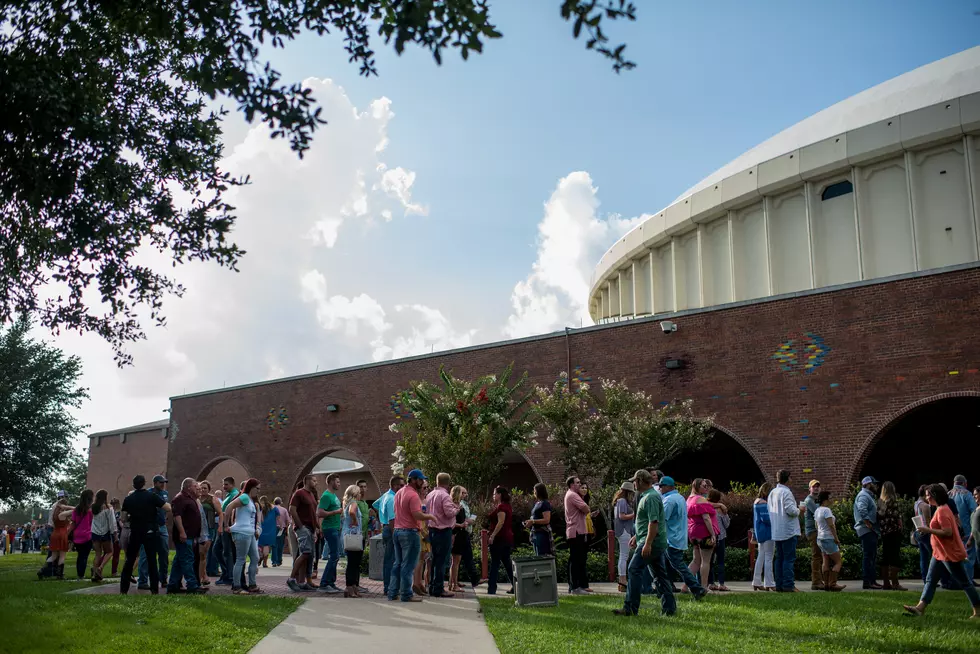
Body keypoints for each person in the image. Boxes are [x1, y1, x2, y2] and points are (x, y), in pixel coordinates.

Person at [904, 484, 980, 618]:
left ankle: (978, 610)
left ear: (935, 495)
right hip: (939, 553)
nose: (926, 497)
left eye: (928, 495)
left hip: (948, 554)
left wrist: (928, 530)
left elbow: (948, 532)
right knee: (930, 580)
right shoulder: (940, 508)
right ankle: (920, 608)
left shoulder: (943, 510)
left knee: (965, 583)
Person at [613, 469, 675, 617]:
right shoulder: (647, 496)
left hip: (652, 543)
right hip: (651, 540)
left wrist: (647, 543)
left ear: (640, 481)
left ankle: (630, 608)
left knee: (633, 569)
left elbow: (653, 522)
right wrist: (638, 536)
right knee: (660, 575)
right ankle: (669, 609)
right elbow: (646, 521)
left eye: (635, 480)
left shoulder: (651, 498)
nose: (633, 483)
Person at [120, 475, 172, 594]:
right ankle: (154, 590)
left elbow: (123, 518)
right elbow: (167, 507)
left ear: (134, 485)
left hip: (135, 532)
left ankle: (123, 589)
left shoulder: (129, 499)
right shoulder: (152, 496)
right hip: (150, 531)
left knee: (130, 560)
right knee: (152, 560)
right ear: (144, 483)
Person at [388, 469, 434, 602]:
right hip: (410, 532)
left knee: (398, 564)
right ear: (413, 480)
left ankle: (392, 593)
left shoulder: (399, 493)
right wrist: (430, 516)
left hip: (397, 531)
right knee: (408, 565)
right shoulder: (413, 495)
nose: (422, 482)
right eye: (420, 480)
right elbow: (417, 515)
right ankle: (406, 594)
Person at [659, 476, 707, 599]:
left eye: (662, 486)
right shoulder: (680, 498)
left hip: (671, 538)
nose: (660, 488)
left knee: (678, 565)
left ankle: (697, 588)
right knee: (667, 565)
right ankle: (663, 588)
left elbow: (661, 520)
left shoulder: (669, 501)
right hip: (679, 536)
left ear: (669, 487)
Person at [167, 477, 207, 594]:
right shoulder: (180, 498)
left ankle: (173, 586)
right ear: (188, 487)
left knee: (179, 561)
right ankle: (192, 585)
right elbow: (177, 516)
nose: (198, 488)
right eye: (195, 486)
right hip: (184, 536)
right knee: (188, 560)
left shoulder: (190, 498)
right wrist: (182, 532)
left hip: (191, 535)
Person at [225, 477, 262, 595]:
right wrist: (226, 525)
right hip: (242, 532)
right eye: (257, 488)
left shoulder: (250, 500)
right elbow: (229, 507)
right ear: (251, 487)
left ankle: (252, 585)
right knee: (240, 559)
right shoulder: (244, 497)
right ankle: (236, 587)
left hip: (249, 533)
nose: (258, 491)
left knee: (255, 558)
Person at [425, 472, 458, 598]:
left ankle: (432, 587)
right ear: (448, 483)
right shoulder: (445, 496)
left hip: (432, 530)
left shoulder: (430, 495)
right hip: (443, 531)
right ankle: (439, 588)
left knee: (434, 560)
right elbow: (449, 513)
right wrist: (456, 509)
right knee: (442, 561)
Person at [768, 469, 801, 593]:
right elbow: (791, 510)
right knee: (789, 559)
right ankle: (788, 585)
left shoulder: (772, 492)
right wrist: (799, 510)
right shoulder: (786, 492)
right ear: (787, 479)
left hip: (776, 530)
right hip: (788, 530)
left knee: (779, 559)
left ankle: (779, 585)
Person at [137, 475, 170, 590]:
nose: (163, 484)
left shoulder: (165, 494)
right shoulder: (147, 493)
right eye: (161, 482)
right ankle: (142, 581)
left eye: (164, 482)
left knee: (164, 553)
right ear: (155, 483)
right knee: (145, 554)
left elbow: (166, 508)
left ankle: (163, 579)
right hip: (149, 526)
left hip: (162, 527)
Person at [373, 475, 404, 596]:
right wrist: (395, 534)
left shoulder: (385, 496)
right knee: (392, 560)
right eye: (401, 485)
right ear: (395, 486)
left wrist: (381, 515)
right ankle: (390, 587)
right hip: (391, 529)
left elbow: (375, 504)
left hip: (385, 527)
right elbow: (393, 520)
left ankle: (388, 586)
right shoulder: (392, 498)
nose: (403, 487)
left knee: (389, 560)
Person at [287, 474, 318, 592]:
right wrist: (300, 526)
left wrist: (316, 528)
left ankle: (301, 582)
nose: (316, 483)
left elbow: (313, 513)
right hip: (303, 528)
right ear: (307, 481)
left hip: (311, 528)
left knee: (307, 555)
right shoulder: (299, 493)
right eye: (314, 480)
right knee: (305, 552)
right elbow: (292, 509)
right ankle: (291, 579)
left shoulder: (311, 495)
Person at [686, 478, 717, 592]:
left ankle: (685, 586)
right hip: (704, 533)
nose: (706, 488)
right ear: (697, 487)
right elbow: (706, 518)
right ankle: (703, 587)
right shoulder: (701, 499)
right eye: (704, 486)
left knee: (696, 561)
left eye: (707, 486)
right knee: (705, 561)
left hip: (693, 533)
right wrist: (712, 534)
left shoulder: (689, 499)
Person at [813, 490, 846, 591]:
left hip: (820, 538)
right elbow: (831, 525)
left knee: (826, 561)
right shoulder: (826, 510)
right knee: (838, 561)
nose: (832, 499)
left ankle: (826, 584)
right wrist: (836, 539)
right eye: (830, 497)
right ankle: (833, 584)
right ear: (825, 499)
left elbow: (816, 525)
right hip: (828, 538)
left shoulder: (817, 510)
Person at [853, 475, 882, 589]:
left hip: (870, 530)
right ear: (868, 484)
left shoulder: (868, 495)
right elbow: (862, 509)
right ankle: (868, 582)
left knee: (871, 556)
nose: (876, 486)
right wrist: (868, 523)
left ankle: (872, 581)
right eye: (874, 484)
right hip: (867, 530)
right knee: (868, 556)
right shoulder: (864, 495)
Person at [316, 473, 344, 594]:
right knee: (334, 556)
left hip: (336, 528)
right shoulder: (326, 496)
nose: (339, 484)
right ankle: (324, 584)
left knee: (335, 556)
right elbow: (320, 513)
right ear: (331, 481)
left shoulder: (334, 496)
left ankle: (331, 583)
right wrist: (336, 512)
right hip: (330, 528)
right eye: (337, 482)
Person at [564, 476, 592, 594]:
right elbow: (586, 509)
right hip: (576, 531)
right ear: (571, 484)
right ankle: (575, 587)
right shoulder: (573, 495)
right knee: (576, 560)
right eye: (577, 483)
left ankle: (578, 585)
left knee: (578, 559)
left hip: (577, 531)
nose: (580, 485)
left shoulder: (572, 495)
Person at [877, 481, 906, 591]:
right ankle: (895, 582)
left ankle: (886, 583)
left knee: (885, 557)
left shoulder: (880, 502)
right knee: (895, 557)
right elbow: (898, 518)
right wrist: (901, 528)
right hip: (894, 532)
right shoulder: (893, 501)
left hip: (884, 533)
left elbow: (879, 517)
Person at [450, 485, 480, 592]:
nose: (465, 495)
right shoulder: (456, 507)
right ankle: (454, 585)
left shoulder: (458, 506)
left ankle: (452, 583)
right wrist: (461, 525)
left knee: (455, 561)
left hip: (460, 534)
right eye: (462, 493)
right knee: (456, 561)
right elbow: (452, 522)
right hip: (458, 535)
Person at [487, 485, 516, 596]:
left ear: (499, 495)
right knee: (506, 562)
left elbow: (501, 522)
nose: (493, 496)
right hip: (507, 538)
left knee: (495, 563)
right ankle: (516, 584)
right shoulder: (507, 506)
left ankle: (492, 588)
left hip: (500, 538)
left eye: (494, 493)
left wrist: (492, 535)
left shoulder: (501, 507)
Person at [949, 475, 977, 582]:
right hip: (966, 531)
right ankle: (968, 580)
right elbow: (974, 512)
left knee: (954, 557)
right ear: (965, 483)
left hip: (951, 532)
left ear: (954, 482)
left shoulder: (948, 494)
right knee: (968, 556)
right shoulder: (967, 494)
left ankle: (956, 580)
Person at [38, 496, 73, 580]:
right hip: (62, 534)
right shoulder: (63, 513)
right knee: (62, 556)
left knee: (53, 556)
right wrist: (66, 507)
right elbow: (75, 509)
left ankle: (42, 570)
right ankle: (60, 574)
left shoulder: (55, 514)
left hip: (55, 533)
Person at [341, 484, 365, 597]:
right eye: (359, 492)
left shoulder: (346, 503)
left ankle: (353, 586)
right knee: (353, 563)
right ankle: (350, 586)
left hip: (349, 535)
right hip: (354, 535)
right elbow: (352, 512)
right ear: (355, 494)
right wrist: (355, 520)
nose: (361, 494)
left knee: (354, 563)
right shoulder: (353, 503)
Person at [89, 489, 117, 582]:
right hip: (105, 533)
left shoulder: (93, 507)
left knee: (97, 554)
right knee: (109, 552)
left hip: (95, 532)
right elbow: (112, 522)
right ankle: (100, 568)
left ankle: (94, 574)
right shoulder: (108, 508)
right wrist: (115, 533)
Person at [612, 482, 635, 592]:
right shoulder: (622, 501)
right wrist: (635, 514)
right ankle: (622, 580)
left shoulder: (620, 501)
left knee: (624, 555)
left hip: (624, 530)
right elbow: (622, 516)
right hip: (624, 530)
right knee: (624, 555)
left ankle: (623, 580)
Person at [752, 482, 775, 591]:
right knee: (769, 557)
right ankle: (769, 583)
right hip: (767, 532)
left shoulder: (756, 502)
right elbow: (766, 519)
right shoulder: (763, 503)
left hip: (760, 532)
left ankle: (756, 581)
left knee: (761, 557)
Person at [707, 488, 730, 592]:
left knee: (709, 561)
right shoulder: (721, 510)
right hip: (721, 537)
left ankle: (710, 583)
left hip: (710, 537)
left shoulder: (706, 507)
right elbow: (727, 524)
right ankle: (721, 584)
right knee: (720, 561)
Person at [803, 480, 824, 590]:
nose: (816, 488)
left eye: (818, 486)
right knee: (816, 556)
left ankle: (820, 580)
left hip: (818, 531)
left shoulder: (816, 500)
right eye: (814, 487)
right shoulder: (809, 500)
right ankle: (816, 582)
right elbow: (819, 513)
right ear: (809, 489)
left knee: (820, 556)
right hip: (813, 531)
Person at [70, 489, 95, 579]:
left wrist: (69, 533)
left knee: (80, 556)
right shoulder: (90, 511)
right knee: (85, 556)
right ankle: (82, 575)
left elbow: (73, 523)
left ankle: (79, 574)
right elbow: (91, 523)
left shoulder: (76, 510)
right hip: (87, 536)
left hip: (77, 536)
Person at [200, 481, 222, 580]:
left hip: (209, 528)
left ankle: (208, 572)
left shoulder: (213, 499)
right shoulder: (196, 498)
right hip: (198, 528)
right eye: (201, 488)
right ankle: (203, 573)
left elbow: (221, 513)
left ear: (209, 489)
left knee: (206, 551)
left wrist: (220, 526)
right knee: (200, 553)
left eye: (205, 488)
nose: (203, 490)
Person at [525, 482, 554, 557]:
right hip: (535, 532)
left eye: (535, 491)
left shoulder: (545, 503)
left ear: (539, 491)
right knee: (537, 555)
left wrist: (533, 521)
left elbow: (547, 520)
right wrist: (530, 522)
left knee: (542, 555)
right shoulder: (537, 503)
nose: (534, 493)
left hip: (542, 533)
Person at [913, 484, 933, 583]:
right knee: (935, 556)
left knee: (923, 557)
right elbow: (929, 522)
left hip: (918, 531)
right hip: (925, 533)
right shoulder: (925, 506)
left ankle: (925, 579)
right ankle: (937, 579)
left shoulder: (916, 503)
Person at [257, 496, 277, 568]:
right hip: (271, 529)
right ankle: (264, 563)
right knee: (267, 546)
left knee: (259, 545)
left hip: (261, 528)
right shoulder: (274, 508)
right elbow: (278, 517)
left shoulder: (259, 507)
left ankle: (260, 557)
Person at [271, 497, 287, 567]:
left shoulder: (271, 509)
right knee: (280, 545)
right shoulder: (284, 510)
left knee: (274, 545)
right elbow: (288, 520)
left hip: (273, 528)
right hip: (281, 529)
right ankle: (279, 560)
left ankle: (274, 561)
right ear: (281, 502)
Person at [110, 498, 123, 577]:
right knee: (116, 554)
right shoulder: (119, 513)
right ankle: (114, 572)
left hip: (109, 534)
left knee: (107, 553)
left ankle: (97, 567)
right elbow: (121, 524)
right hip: (117, 535)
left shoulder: (109, 512)